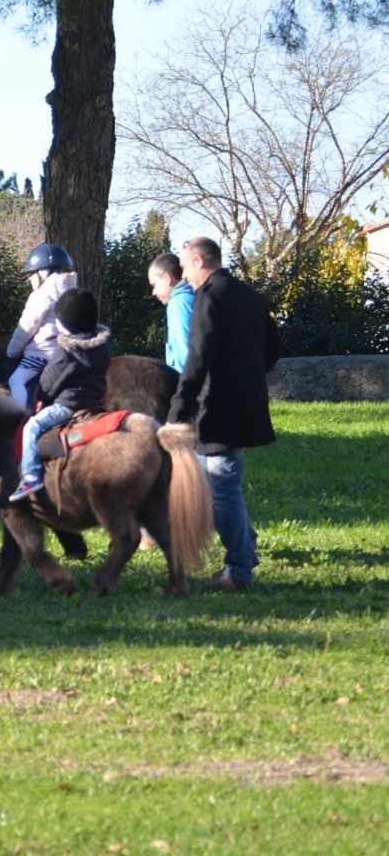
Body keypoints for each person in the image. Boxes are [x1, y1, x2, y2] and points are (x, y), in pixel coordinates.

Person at [167, 237, 282, 591]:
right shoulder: (247, 293)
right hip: (246, 403)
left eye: (185, 266)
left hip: (217, 408)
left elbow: (197, 357)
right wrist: (248, 376)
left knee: (220, 489)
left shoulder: (209, 296)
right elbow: (275, 347)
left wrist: (178, 409)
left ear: (200, 261)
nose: (183, 275)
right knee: (217, 483)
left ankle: (240, 568)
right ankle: (244, 549)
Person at [9, 288, 111, 501]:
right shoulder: (101, 347)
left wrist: (41, 398)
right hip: (96, 402)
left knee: (31, 427)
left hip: (67, 405)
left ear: (66, 324)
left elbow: (49, 383)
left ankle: (30, 475)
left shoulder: (66, 352)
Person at [3, 243, 78, 410]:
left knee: (15, 381)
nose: (31, 277)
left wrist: (12, 352)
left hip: (43, 353)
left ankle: (19, 417)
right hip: (69, 352)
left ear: (43, 272)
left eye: (33, 273)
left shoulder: (42, 294)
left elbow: (27, 327)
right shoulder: (73, 292)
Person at [148, 252, 195, 372]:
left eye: (154, 285)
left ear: (166, 278)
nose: (153, 292)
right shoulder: (193, 298)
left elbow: (185, 350)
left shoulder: (178, 303)